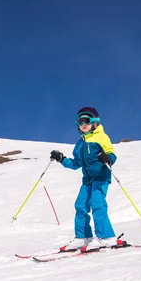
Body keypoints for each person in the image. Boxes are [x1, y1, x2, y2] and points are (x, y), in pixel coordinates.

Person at [50, 106, 118, 250]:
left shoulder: (101, 136)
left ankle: (106, 237)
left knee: (97, 204)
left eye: (86, 120)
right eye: (80, 122)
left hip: (101, 177)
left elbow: (111, 153)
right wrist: (62, 159)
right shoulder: (79, 144)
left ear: (95, 122)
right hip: (87, 180)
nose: (83, 124)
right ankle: (83, 237)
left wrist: (108, 158)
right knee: (80, 205)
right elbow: (76, 164)